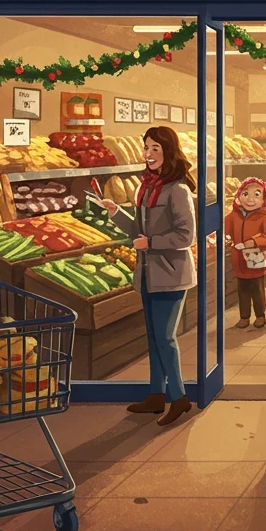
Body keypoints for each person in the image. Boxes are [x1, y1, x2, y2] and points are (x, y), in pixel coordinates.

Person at [101, 126, 197, 427]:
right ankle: (156, 395)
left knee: (166, 338)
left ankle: (179, 399)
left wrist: (151, 243)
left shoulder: (177, 190)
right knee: (154, 338)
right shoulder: (145, 187)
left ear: (168, 151)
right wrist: (117, 212)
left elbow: (187, 234)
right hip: (147, 274)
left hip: (171, 274)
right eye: (146, 147)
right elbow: (137, 232)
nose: (149, 154)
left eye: (156, 148)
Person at [224, 177, 266, 330]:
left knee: (257, 289)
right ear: (239, 196)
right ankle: (244, 317)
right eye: (245, 194)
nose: (250, 199)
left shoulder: (264, 218)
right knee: (242, 291)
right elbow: (224, 229)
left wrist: (253, 242)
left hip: (256, 260)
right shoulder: (233, 216)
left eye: (257, 194)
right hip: (239, 260)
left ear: (264, 199)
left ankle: (260, 315)